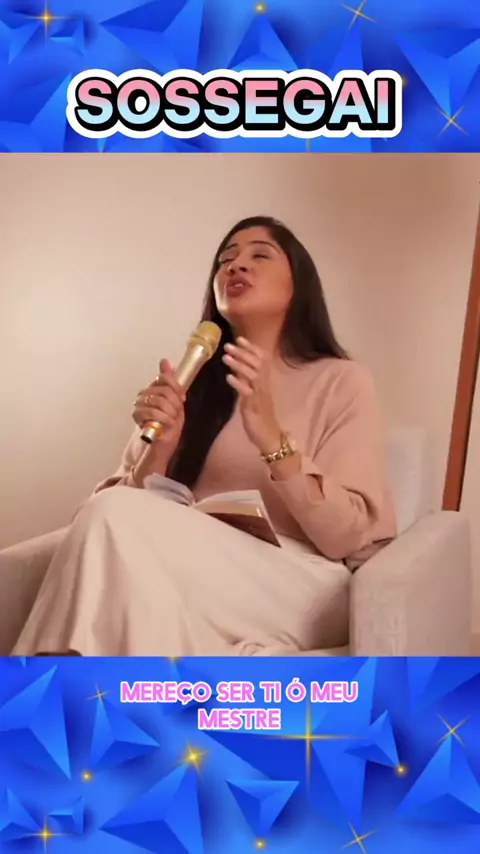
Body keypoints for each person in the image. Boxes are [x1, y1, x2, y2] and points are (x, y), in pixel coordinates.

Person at [12, 216, 396, 657]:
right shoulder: (190, 385)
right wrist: (159, 451)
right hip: (187, 574)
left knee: (115, 518)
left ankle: (36, 690)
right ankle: (138, 691)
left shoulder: (341, 381)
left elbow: (348, 537)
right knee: (124, 565)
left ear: (299, 284)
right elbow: (99, 522)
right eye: (225, 259)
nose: (236, 266)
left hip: (300, 582)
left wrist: (273, 439)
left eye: (259, 255)